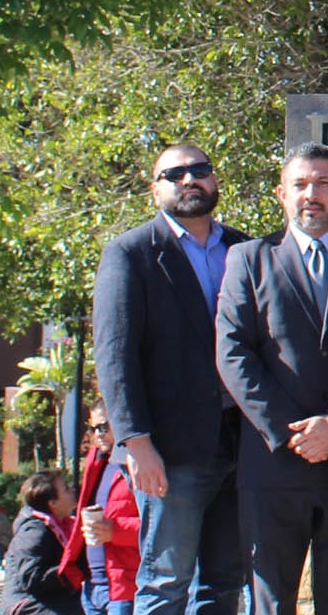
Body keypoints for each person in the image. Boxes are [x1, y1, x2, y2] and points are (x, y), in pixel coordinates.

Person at [216, 142, 328, 615]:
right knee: (271, 604)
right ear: (281, 193)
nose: (310, 194)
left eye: (322, 183)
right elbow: (233, 353)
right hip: (273, 465)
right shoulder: (248, 259)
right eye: (300, 184)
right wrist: (290, 431)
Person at [95, 142, 252, 615]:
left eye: (200, 170)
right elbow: (114, 355)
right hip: (170, 452)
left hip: (241, 445)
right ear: (154, 189)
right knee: (166, 583)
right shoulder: (130, 253)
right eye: (174, 174)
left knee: (224, 583)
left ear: (215, 181)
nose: (189, 180)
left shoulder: (244, 248)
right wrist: (136, 443)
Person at [61, 410, 143, 615]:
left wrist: (115, 530)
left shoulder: (142, 464)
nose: (98, 434)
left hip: (126, 587)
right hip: (92, 585)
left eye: (104, 427)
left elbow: (162, 526)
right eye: (93, 428)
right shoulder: (97, 463)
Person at [0, 469, 85, 615]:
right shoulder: (35, 531)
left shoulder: (62, 525)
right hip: (27, 604)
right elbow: (32, 577)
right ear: (53, 503)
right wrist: (76, 568)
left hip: (47, 600)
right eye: (66, 488)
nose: (72, 489)